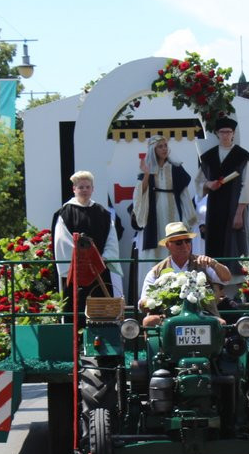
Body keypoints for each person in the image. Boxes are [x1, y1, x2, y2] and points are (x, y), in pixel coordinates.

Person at [52, 170, 124, 310]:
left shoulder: (102, 213)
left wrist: (102, 259)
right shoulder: (65, 213)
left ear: (93, 189)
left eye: (87, 187)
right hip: (77, 273)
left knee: (100, 310)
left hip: (100, 270)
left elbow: (111, 240)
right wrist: (83, 260)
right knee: (76, 308)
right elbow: (62, 241)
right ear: (74, 189)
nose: (84, 190)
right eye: (80, 187)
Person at [138, 222, 231, 326]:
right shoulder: (156, 271)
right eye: (179, 242)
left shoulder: (203, 262)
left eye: (188, 241)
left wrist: (214, 263)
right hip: (167, 317)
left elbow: (226, 278)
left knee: (221, 323)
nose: (185, 245)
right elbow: (143, 302)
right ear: (168, 245)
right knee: (148, 321)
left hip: (202, 314)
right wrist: (149, 302)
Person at [196, 117, 249, 273]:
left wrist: (239, 213)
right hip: (215, 208)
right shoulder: (208, 158)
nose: (225, 135)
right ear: (217, 133)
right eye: (222, 132)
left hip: (234, 207)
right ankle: (215, 279)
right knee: (215, 244)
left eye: (228, 132)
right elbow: (198, 182)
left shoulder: (242, 156)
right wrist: (209, 184)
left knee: (234, 243)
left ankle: (235, 279)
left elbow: (246, 186)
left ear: (233, 134)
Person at [134, 136, 199, 263]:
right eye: (160, 146)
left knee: (174, 239)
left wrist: (189, 215)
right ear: (153, 149)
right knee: (157, 245)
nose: (164, 149)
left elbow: (184, 193)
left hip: (173, 209)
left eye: (165, 145)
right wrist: (147, 174)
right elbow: (141, 192)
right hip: (154, 212)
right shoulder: (148, 168)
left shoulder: (176, 167)